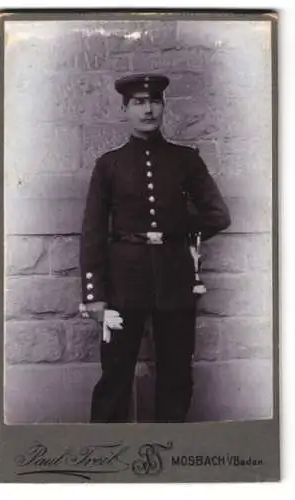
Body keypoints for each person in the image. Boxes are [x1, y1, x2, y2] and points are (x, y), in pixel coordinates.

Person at [79, 73, 231, 423]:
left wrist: (177, 229)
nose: (148, 110)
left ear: (163, 106)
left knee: (177, 374)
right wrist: (95, 295)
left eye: (154, 101)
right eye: (139, 103)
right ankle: (103, 454)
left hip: (175, 280)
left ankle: (170, 454)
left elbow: (218, 215)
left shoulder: (185, 160)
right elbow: (93, 232)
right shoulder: (109, 165)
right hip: (122, 284)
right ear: (125, 110)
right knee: (115, 375)